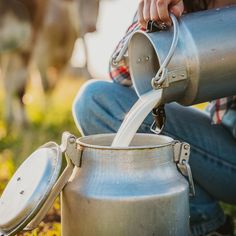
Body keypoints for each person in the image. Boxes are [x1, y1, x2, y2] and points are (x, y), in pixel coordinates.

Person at [73, 0, 236, 235]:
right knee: (95, 102)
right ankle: (205, 222)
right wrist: (156, 20)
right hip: (225, 154)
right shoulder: (184, 5)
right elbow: (121, 74)